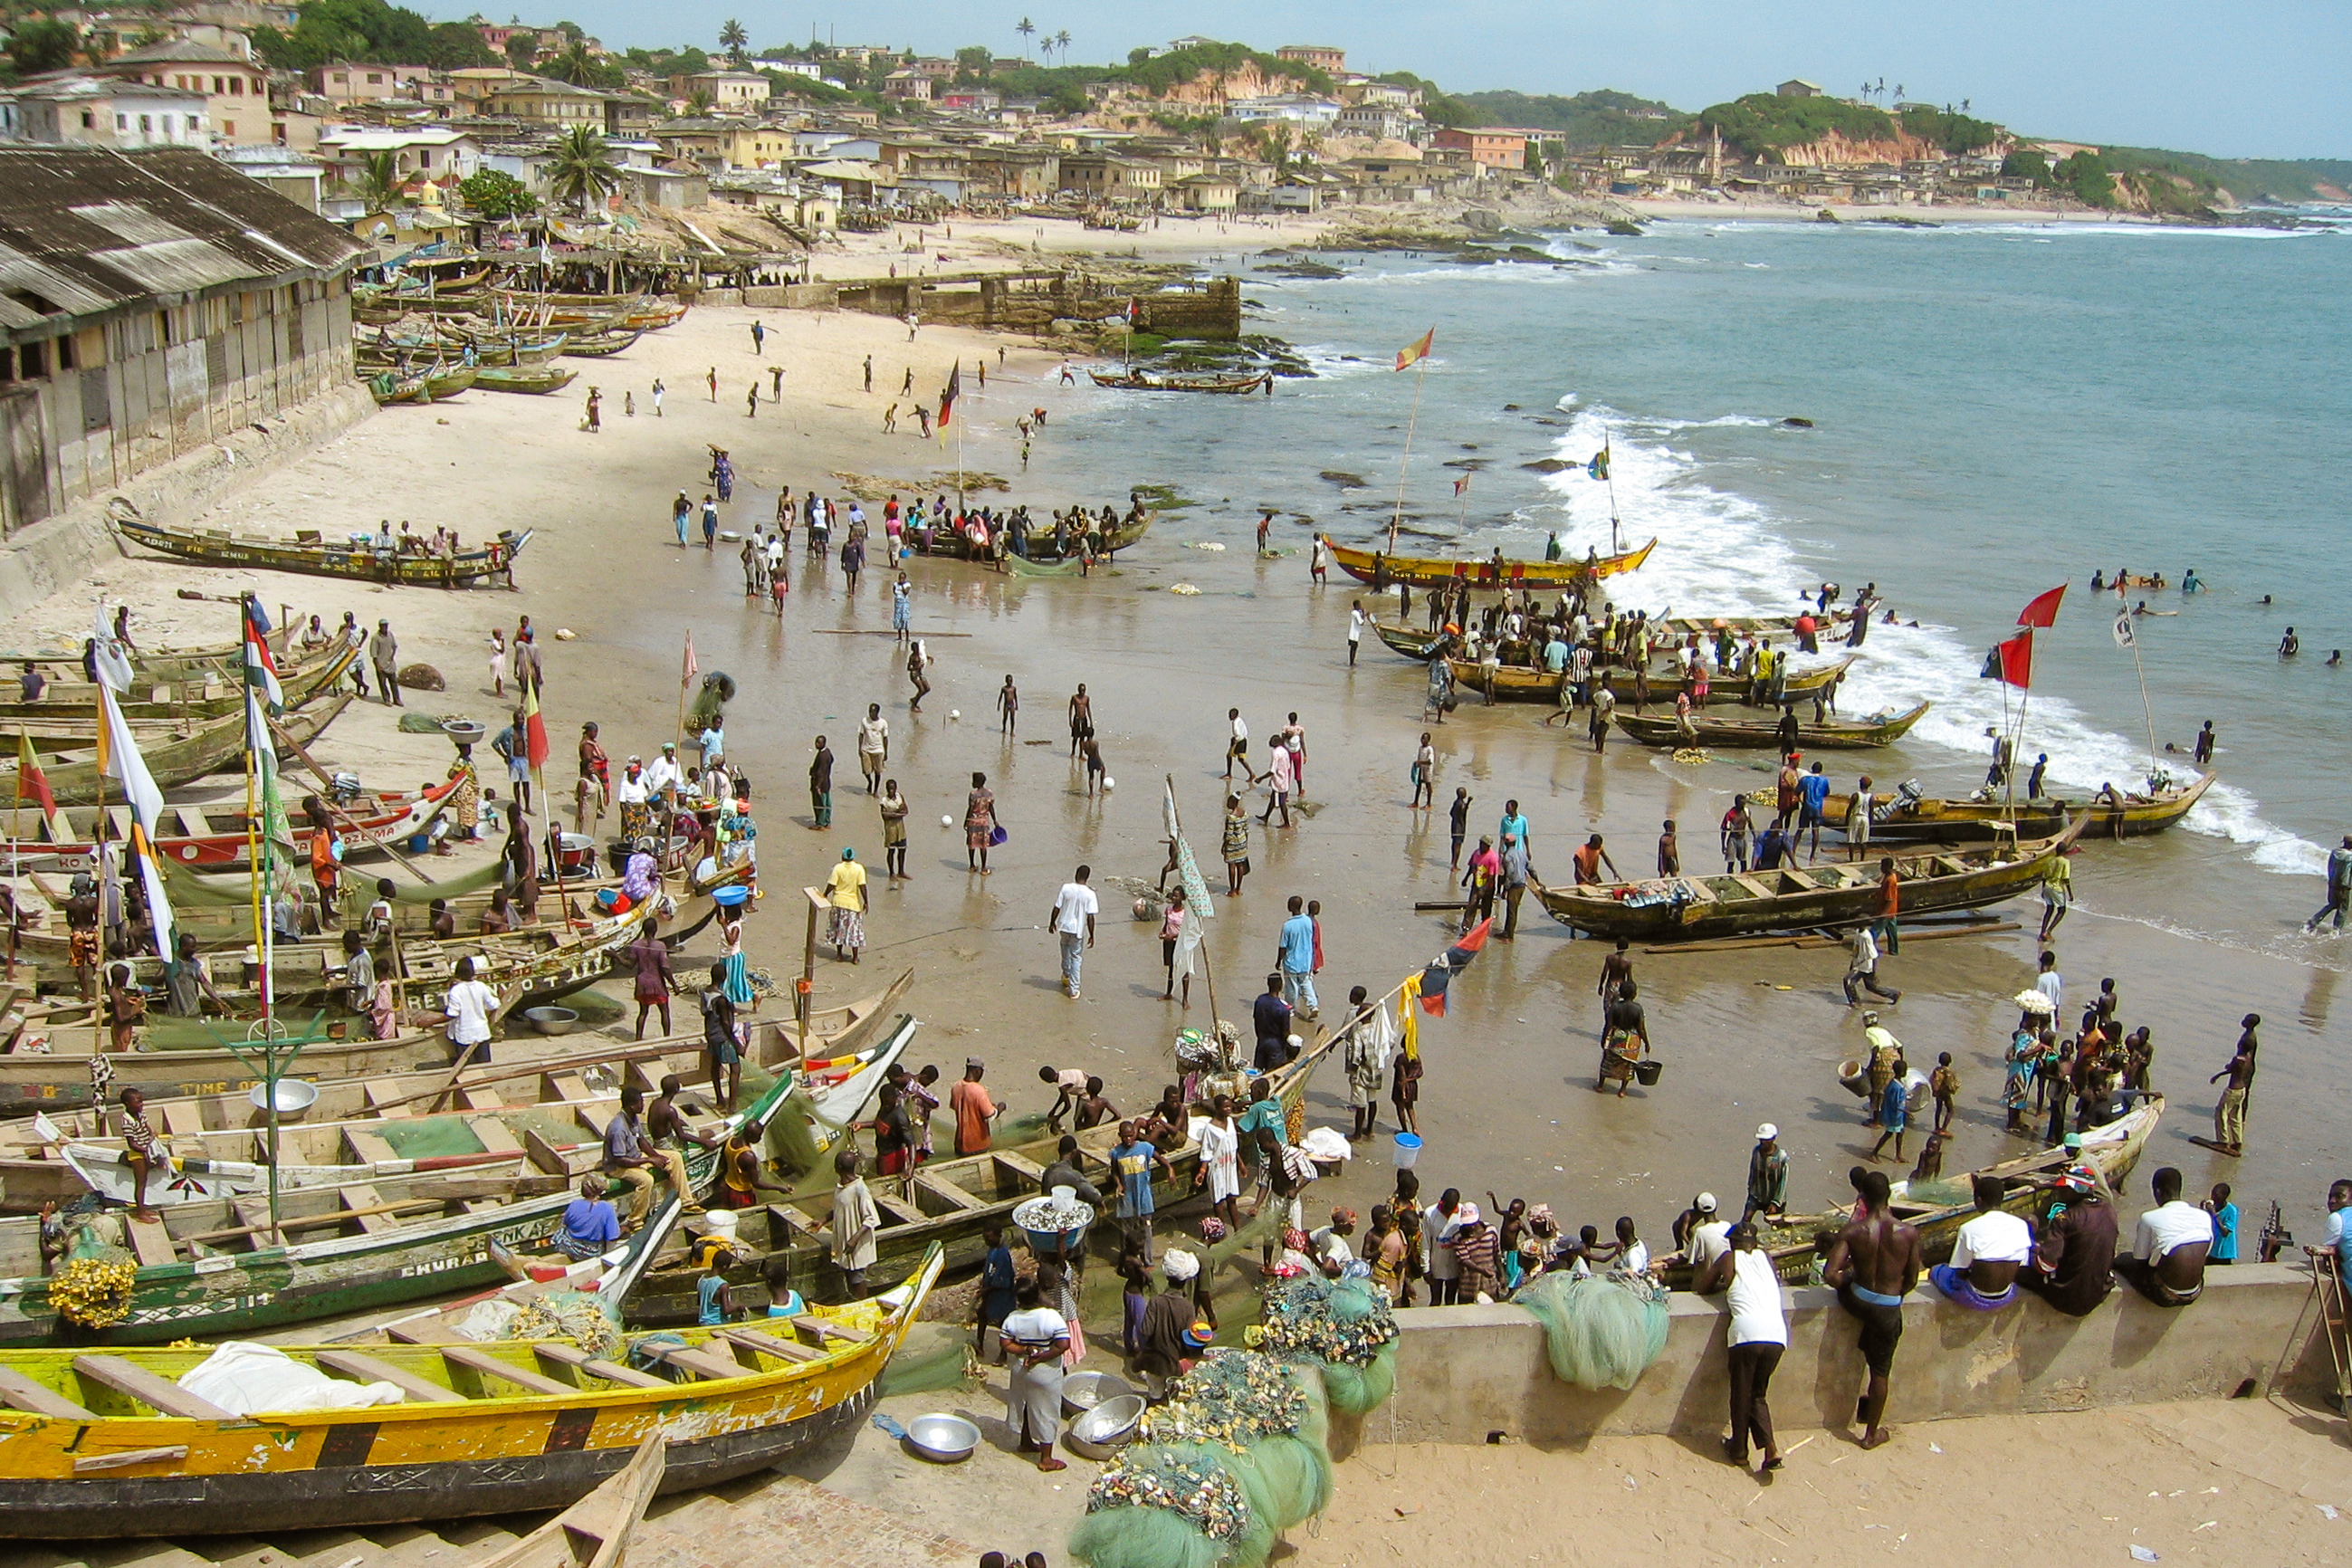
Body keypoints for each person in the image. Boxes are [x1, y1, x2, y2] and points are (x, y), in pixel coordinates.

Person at [1824, 1168, 1920, 1449]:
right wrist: (1892, 1294)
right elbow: (1912, 1280)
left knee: (1863, 1309)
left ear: (1863, 1197)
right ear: (1889, 1195)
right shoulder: (1909, 1233)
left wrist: (1851, 1279)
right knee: (1880, 1373)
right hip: (1887, 1307)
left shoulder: (1853, 1231)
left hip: (1857, 1300)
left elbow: (1831, 1276)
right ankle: (1871, 1435)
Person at [1700, 1221, 1787, 1473]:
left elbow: (1703, 1287)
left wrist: (1725, 1287)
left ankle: (1739, 1451)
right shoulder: (1767, 1258)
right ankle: (1771, 1448)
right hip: (1777, 1335)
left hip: (1746, 1334)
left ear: (1733, 1243)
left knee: (1741, 1393)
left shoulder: (1728, 1259)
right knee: (1758, 1394)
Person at [2022, 1162, 2118, 1317]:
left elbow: (2046, 1265)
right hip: (2097, 1294)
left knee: (2021, 1268)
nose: (2059, 1191)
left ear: (2077, 1191)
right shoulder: (2110, 1212)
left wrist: (2035, 1254)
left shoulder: (2064, 1218)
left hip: (2065, 1297)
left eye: (2064, 1188)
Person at [1000, 1276, 1073, 1472]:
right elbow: (1063, 1345)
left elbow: (1005, 1344)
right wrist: (1041, 1357)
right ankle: (1046, 1459)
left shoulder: (1012, 1318)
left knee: (1025, 1404)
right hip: (1045, 1373)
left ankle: (1025, 1442)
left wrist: (1024, 1348)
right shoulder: (1050, 1317)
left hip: (1020, 1370)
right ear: (1038, 1294)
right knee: (1047, 1412)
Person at [1927, 1176, 2032, 1310]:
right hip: (2007, 1296)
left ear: (1978, 1200)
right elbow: (2021, 1263)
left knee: (1938, 1270)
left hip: (1974, 1297)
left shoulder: (1968, 1228)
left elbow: (1961, 1270)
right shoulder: (2021, 1225)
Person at [2115, 1166, 2213, 1307]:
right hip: (2196, 1291)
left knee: (2123, 1259)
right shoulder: (2204, 1216)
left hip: (2165, 1295)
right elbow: (2205, 1252)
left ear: (2158, 1192)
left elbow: (2140, 1260)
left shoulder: (2149, 1217)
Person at [1110, 1121, 1171, 1264]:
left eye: (1131, 1136)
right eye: (1125, 1137)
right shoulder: (1116, 1152)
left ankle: (1148, 1260)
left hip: (1143, 1195)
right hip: (1126, 1197)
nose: (1128, 1139)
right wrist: (1118, 1184)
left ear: (1135, 1134)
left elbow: (1160, 1158)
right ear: (1120, 1136)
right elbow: (1114, 1171)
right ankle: (1127, 1260)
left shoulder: (1145, 1147)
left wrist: (1170, 1169)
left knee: (1146, 1229)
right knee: (1126, 1231)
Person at [828, 1148, 880, 1297]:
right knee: (849, 1274)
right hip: (844, 1241)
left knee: (857, 1276)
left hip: (855, 1244)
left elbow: (871, 1218)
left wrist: (854, 1239)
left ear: (838, 1168)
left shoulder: (860, 1190)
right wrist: (823, 1220)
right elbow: (839, 1208)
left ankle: (862, 1301)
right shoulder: (840, 1187)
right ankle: (854, 1299)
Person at [2208, 1016, 2258, 1154]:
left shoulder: (2238, 1059)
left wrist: (2216, 1076)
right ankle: (2237, 1142)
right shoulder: (2248, 1060)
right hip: (2241, 1091)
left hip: (2232, 1090)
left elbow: (2230, 1069)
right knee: (2236, 1116)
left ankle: (2223, 1141)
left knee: (2221, 1112)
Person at [1047, 864, 1098, 999]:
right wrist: (1092, 935)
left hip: (1064, 926)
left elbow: (1057, 907)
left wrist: (1052, 922)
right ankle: (1074, 990)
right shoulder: (1090, 894)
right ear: (1087, 877)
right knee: (1076, 957)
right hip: (1078, 930)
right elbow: (1090, 916)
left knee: (1064, 950)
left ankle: (1066, 975)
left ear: (1076, 874)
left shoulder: (1066, 888)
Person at [1598, 979, 1649, 1096]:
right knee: (1628, 1065)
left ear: (1620, 993)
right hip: (1632, 1041)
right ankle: (1622, 1090)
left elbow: (1609, 1025)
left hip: (1617, 1038)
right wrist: (1647, 1043)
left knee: (1608, 1061)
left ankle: (1600, 1085)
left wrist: (1604, 1038)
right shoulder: (1638, 1008)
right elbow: (1641, 1028)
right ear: (1634, 994)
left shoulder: (1615, 1006)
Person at [444, 954, 496, 1067]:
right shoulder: (481, 986)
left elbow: (452, 1014)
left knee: (466, 1068)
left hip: (464, 1035)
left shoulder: (456, 991)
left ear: (458, 974)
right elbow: (493, 1005)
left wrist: (431, 1021)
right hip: (482, 1033)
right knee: (485, 1067)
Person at [975, 1221, 1018, 1359]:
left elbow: (1002, 1279)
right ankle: (979, 1345)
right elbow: (989, 1270)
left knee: (1003, 1323)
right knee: (982, 1314)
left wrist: (986, 1290)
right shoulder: (991, 1251)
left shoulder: (1002, 1254)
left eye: (989, 1237)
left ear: (998, 1236)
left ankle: (1003, 1353)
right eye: (985, 1238)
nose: (987, 1240)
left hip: (1002, 1295)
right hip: (990, 1292)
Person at [951, 1058, 1003, 1156]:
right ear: (977, 1071)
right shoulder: (979, 1090)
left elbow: (955, 1106)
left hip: (960, 1142)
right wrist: (1000, 1108)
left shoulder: (956, 1087)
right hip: (978, 1144)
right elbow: (989, 1116)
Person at [824, 846, 867, 963]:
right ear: (853, 857)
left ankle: (839, 954)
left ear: (842, 856)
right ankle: (855, 957)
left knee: (839, 928)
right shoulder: (859, 869)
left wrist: (825, 894)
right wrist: (866, 902)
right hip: (853, 905)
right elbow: (862, 886)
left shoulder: (838, 868)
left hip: (839, 902)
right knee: (854, 931)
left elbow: (832, 884)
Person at [1843, 923, 1900, 1006]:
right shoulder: (1858, 933)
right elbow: (1857, 948)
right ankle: (1894, 995)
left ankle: (1855, 1001)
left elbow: (1871, 954)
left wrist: (1859, 965)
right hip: (1860, 963)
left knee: (1848, 981)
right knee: (1871, 987)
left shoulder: (1866, 937)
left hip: (1866, 964)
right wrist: (1853, 962)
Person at [1745, 1123, 1789, 1223]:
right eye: (1762, 1139)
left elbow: (1783, 1182)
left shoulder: (1781, 1157)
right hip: (1756, 1195)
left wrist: (1776, 1203)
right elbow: (1753, 1172)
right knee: (1746, 1220)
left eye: (1766, 1139)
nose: (1763, 1142)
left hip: (1774, 1197)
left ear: (1774, 1139)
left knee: (1776, 1224)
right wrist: (1750, 1189)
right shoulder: (1756, 1152)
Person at [2309, 835, 2352, 932]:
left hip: (2332, 884)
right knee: (2343, 909)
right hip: (2344, 887)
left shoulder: (2334, 852)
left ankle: (2313, 921)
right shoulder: (2350, 857)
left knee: (2332, 904)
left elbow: (2329, 867)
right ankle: (2337, 930)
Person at [964, 771, 999, 875]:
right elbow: (991, 808)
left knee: (972, 844)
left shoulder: (973, 794)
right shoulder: (990, 793)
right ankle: (984, 868)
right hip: (984, 822)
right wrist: (995, 820)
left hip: (973, 821)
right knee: (983, 845)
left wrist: (966, 820)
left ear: (977, 782)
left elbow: (970, 808)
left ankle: (972, 866)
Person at [2040, 846, 2074, 942]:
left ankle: (2042, 933)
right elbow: (2066, 879)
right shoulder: (2065, 862)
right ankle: (2048, 932)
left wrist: (2043, 889)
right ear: (2065, 851)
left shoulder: (2049, 860)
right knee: (2061, 911)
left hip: (2047, 887)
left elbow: (2044, 877)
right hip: (2057, 888)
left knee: (2049, 910)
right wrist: (2070, 893)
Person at [856, 703, 889, 795]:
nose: (871, 713)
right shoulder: (864, 721)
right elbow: (861, 734)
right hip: (866, 749)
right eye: (869, 711)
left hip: (878, 750)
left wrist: (886, 753)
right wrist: (860, 748)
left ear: (877, 712)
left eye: (873, 712)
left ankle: (875, 790)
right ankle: (870, 781)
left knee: (878, 772)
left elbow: (885, 738)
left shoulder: (883, 723)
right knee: (866, 771)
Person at [368, 618, 400, 706]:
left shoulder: (390, 635)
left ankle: (397, 699)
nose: (385, 628)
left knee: (394, 682)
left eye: (386, 626)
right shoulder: (376, 638)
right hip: (381, 664)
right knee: (383, 684)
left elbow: (394, 646)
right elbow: (374, 654)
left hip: (390, 664)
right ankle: (386, 699)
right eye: (383, 626)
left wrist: (392, 656)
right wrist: (378, 666)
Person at [2204, 1181, 2239, 1267]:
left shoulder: (2231, 1211)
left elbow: (2225, 1232)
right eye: (2212, 1194)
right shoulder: (2213, 1207)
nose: (2213, 1198)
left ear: (2224, 1197)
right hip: (2211, 1250)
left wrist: (2214, 1214)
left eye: (2216, 1195)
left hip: (2224, 1252)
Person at [808, 735, 833, 831]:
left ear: (823, 743)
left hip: (820, 783)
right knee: (827, 803)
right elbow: (831, 761)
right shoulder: (827, 752)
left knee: (819, 803)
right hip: (826, 782)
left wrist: (817, 786)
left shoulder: (822, 756)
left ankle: (820, 824)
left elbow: (821, 772)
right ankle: (827, 822)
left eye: (818, 743)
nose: (816, 744)